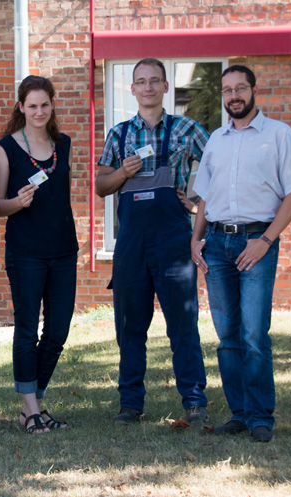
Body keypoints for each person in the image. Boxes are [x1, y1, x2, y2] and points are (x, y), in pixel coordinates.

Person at [191, 65, 291, 443]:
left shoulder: (278, 135)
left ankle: (262, 416)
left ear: (254, 90)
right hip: (216, 243)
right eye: (227, 90)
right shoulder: (216, 139)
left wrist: (266, 241)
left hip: (256, 244)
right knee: (228, 335)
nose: (234, 96)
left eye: (240, 88)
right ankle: (240, 414)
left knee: (253, 333)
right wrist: (195, 240)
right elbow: (204, 197)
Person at [95, 58, 210, 427]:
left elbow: (218, 169)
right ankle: (130, 403)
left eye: (154, 81)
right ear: (132, 89)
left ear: (164, 87)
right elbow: (100, 186)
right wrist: (121, 174)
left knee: (183, 324)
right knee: (130, 326)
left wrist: (194, 203)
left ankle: (194, 400)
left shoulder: (186, 129)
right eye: (140, 82)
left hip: (174, 241)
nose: (147, 87)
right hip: (131, 243)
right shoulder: (118, 134)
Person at [0, 75, 78, 435]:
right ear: (21, 107)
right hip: (25, 253)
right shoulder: (5, 149)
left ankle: (34, 401)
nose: (38, 111)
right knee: (27, 329)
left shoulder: (64, 144)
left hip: (64, 251)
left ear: (52, 105)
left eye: (44, 105)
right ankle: (30, 407)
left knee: (57, 330)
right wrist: (17, 202)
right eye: (32, 105)